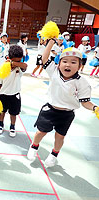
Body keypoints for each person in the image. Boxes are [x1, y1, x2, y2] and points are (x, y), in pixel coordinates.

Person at [27, 39, 98, 167]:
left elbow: (85, 102)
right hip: (49, 109)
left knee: (60, 137)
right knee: (40, 132)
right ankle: (33, 147)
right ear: (58, 63)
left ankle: (54, 154)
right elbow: (44, 59)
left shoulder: (82, 83)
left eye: (73, 62)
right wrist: (50, 42)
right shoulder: (53, 71)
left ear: (80, 65)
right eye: (64, 61)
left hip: (66, 114)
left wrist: (95, 108)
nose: (68, 65)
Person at [0, 45, 28, 137]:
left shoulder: (20, 68)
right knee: (2, 111)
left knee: (14, 113)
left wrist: (14, 63)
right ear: (9, 58)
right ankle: (0, 125)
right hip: (3, 94)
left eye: (19, 60)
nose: (18, 62)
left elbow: (25, 66)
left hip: (15, 95)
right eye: (16, 60)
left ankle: (12, 127)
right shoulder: (3, 68)